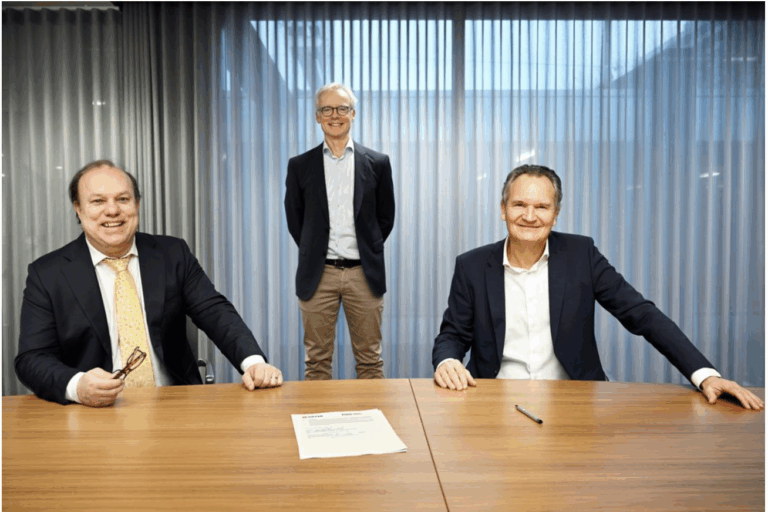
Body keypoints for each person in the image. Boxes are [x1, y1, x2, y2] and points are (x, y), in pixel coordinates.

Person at [432, 164, 764, 410]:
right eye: (519, 205)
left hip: (574, 399)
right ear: (503, 210)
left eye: (542, 207)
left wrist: (704, 374)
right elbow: (453, 334)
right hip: (493, 401)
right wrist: (448, 362)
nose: (529, 216)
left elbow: (641, 315)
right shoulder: (472, 264)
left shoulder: (581, 255)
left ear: (556, 214)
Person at [15, 160, 284, 406]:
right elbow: (32, 358)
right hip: (94, 411)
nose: (113, 211)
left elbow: (215, 312)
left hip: (173, 404)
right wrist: (76, 386)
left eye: (123, 199)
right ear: (78, 208)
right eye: (98, 201)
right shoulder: (47, 273)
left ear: (137, 205)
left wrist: (253, 363)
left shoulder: (172, 253)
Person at [284, 83, 395, 380]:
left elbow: (385, 219)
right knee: (317, 363)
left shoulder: (378, 163)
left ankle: (372, 426)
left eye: (342, 108)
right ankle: (319, 426)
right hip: (318, 274)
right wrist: (315, 247)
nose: (335, 115)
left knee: (370, 361)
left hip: (364, 274)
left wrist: (366, 248)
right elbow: (296, 221)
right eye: (327, 109)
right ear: (318, 117)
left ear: (353, 114)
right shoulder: (300, 166)